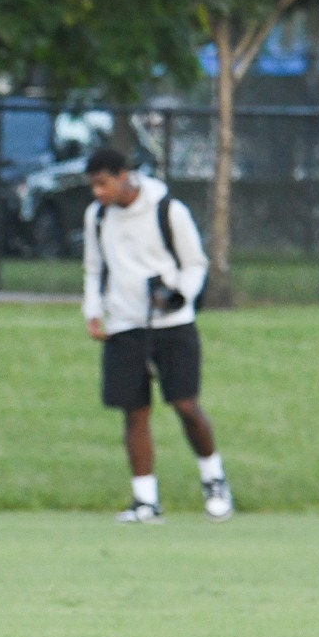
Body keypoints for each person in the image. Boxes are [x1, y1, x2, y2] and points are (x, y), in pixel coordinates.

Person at [81, 148, 232, 523]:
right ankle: (145, 499)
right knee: (134, 412)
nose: (98, 193)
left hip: (172, 324)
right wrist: (94, 311)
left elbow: (195, 263)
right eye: (93, 186)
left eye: (103, 183)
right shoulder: (97, 217)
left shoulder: (167, 209)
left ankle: (213, 479)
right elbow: (93, 267)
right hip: (125, 323)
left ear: (122, 176)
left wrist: (179, 295)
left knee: (185, 405)